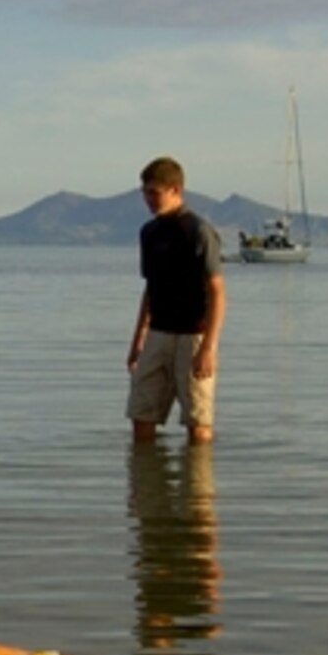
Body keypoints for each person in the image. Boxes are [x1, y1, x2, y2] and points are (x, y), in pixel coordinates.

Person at [127, 156, 225, 445]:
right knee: (141, 414)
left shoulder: (198, 231)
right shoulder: (149, 233)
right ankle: (146, 486)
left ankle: (196, 485)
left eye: (155, 193)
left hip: (193, 333)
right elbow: (150, 290)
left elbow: (218, 291)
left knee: (197, 419)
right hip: (158, 331)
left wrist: (208, 346)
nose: (149, 200)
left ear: (175, 190)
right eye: (146, 193)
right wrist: (137, 341)